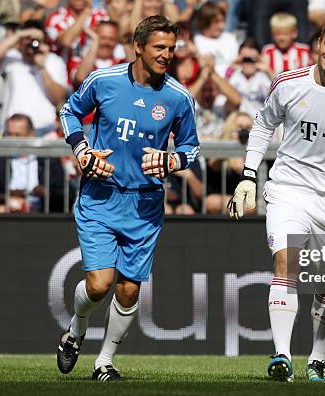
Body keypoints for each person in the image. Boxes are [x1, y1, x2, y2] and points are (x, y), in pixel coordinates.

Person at [228, 20, 325, 382]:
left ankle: (317, 359)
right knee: (285, 262)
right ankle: (281, 356)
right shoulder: (287, 83)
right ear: (317, 44)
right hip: (288, 191)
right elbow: (262, 127)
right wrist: (249, 175)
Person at [56, 16, 199, 381]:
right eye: (159, 48)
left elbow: (191, 148)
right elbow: (69, 111)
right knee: (99, 284)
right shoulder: (104, 80)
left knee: (129, 288)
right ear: (138, 46)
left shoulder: (178, 97)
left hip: (145, 204)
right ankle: (75, 331)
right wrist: (82, 150)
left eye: (171, 48)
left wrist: (171, 160)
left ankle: (104, 362)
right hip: (101, 197)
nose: (167, 55)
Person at [0, 20, 68, 136]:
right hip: (13, 129)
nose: (31, 45)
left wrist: (42, 67)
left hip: (44, 129)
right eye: (27, 40)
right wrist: (20, 34)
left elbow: (58, 97)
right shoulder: (12, 57)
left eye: (35, 41)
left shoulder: (54, 61)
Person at [228, 38, 272, 117]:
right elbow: (221, 94)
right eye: (246, 59)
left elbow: (279, 94)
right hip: (237, 121)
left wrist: (269, 71)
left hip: (259, 122)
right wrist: (230, 68)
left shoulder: (263, 77)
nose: (248, 63)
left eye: (252, 59)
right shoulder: (234, 75)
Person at [193, 1, 239, 77]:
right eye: (216, 22)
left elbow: (236, 67)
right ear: (205, 21)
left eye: (223, 21)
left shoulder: (230, 39)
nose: (222, 26)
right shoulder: (195, 40)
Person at [261, 12, 311, 76]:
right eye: (278, 34)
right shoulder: (268, 50)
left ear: (295, 33)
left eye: (286, 34)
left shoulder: (304, 50)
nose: (282, 38)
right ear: (272, 35)